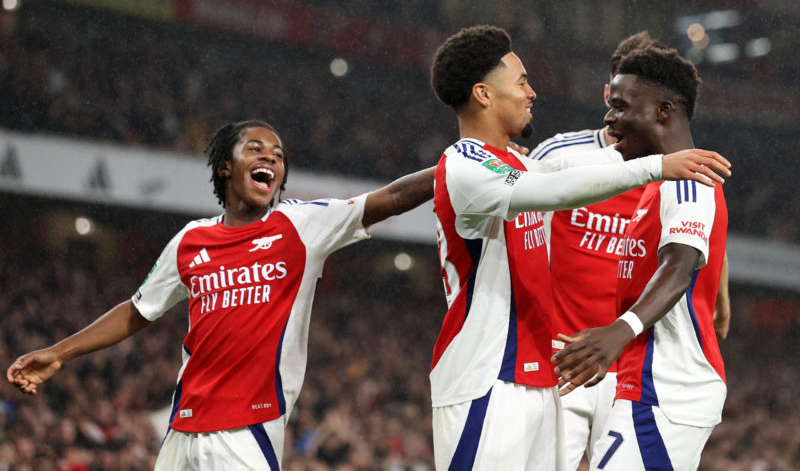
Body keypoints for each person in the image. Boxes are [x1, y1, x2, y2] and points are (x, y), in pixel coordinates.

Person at [7, 119, 434, 470]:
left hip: (247, 432)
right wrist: (60, 353)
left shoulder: (300, 226)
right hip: (182, 427)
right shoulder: (192, 239)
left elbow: (390, 198)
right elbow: (138, 311)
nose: (270, 156)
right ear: (226, 167)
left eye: (279, 155)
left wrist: (450, 168)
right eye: (255, 148)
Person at [426, 25, 730, 470]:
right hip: (503, 375)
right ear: (484, 94)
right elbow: (557, 187)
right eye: (522, 82)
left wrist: (717, 286)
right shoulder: (481, 164)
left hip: (575, 372)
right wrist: (657, 165)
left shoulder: (525, 164)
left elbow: (688, 246)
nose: (533, 93)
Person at [529, 31, 731, 470]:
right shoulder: (653, 183)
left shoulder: (689, 179)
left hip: (668, 387)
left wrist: (619, 331)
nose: (609, 119)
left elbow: (680, 264)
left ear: (663, 111)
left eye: (621, 107)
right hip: (635, 379)